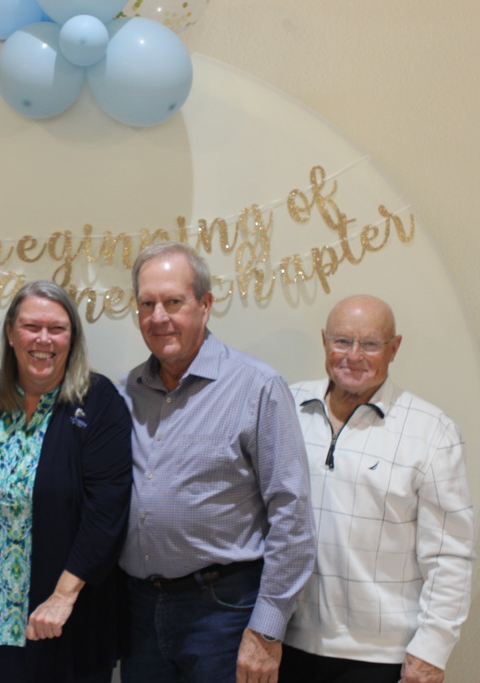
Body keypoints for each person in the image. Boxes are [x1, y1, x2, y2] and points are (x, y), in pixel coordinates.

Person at [118, 241, 316, 683]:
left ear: (205, 305)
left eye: (173, 302)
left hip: (223, 613)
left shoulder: (257, 387)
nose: (159, 317)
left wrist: (266, 630)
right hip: (139, 613)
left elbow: (292, 512)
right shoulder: (124, 391)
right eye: (147, 303)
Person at [281, 295, 474, 683]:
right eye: (342, 341)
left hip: (381, 657)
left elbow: (450, 556)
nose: (353, 356)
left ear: (394, 348)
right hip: (287, 642)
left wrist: (431, 652)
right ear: (324, 341)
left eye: (370, 344)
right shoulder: (285, 405)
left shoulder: (432, 431)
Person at [0, 281, 132, 683]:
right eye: (31, 327)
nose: (44, 340)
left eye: (57, 328)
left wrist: (62, 597)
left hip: (66, 617)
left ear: (72, 338)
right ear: (10, 333)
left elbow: (107, 511)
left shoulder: (98, 400)